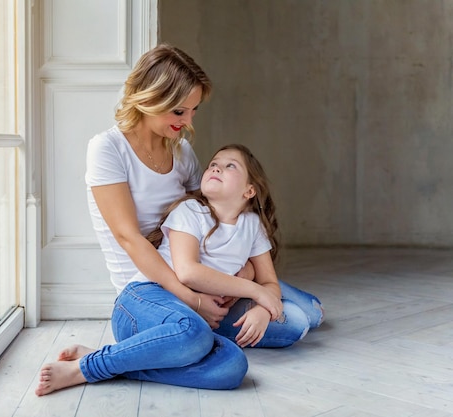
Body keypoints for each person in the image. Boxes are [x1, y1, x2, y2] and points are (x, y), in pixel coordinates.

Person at [35, 44, 322, 396]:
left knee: (302, 316)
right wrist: (193, 298)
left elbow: (215, 213)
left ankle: (164, 346)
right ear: (148, 97)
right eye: (178, 110)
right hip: (146, 292)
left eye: (193, 110)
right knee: (216, 353)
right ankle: (94, 363)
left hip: (200, 276)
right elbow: (130, 238)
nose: (187, 121)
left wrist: (237, 280)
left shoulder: (180, 151)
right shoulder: (108, 149)